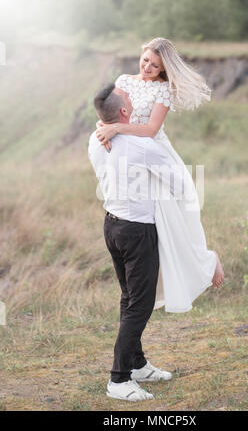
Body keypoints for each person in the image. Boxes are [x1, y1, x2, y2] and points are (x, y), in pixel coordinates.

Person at [95, 38, 224, 314]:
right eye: (146, 60)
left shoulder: (163, 90)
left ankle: (207, 261)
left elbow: (151, 130)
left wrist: (117, 129)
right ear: (140, 53)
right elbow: (111, 111)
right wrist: (102, 127)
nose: (148, 67)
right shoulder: (124, 80)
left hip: (152, 155)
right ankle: (139, 292)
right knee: (143, 223)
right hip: (129, 155)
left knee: (169, 225)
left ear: (164, 69)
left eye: (155, 65)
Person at [88, 83, 189, 401]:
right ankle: (118, 380)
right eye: (131, 98)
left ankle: (137, 364)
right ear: (123, 112)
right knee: (139, 306)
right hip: (137, 230)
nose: (137, 100)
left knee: (129, 298)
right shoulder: (141, 145)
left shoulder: (96, 138)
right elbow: (179, 181)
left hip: (111, 226)